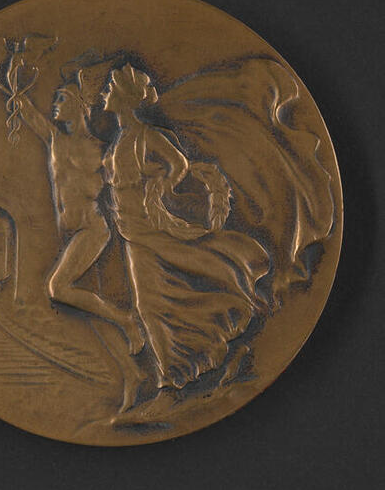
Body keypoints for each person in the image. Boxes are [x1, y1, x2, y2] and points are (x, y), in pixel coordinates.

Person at [102, 63, 270, 394]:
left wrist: (161, 188)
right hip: (131, 232)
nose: (104, 94)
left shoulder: (146, 136)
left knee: (156, 300)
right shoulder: (120, 140)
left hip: (150, 228)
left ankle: (173, 377)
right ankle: (182, 369)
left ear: (125, 99)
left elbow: (179, 163)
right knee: (152, 302)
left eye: (110, 89)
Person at [15, 66, 144, 354]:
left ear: (79, 106)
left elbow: (126, 181)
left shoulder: (103, 150)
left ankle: (126, 321)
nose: (55, 104)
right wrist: (15, 73)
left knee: (57, 288)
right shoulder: (55, 140)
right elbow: (27, 111)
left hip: (92, 229)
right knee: (64, 290)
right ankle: (116, 326)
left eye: (62, 99)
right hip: (69, 231)